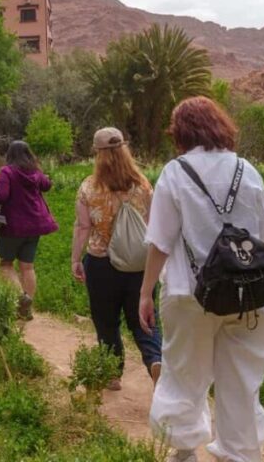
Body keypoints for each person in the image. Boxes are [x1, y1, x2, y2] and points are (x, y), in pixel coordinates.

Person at [139, 97, 264, 462]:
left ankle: (186, 450)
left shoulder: (175, 171)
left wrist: (145, 293)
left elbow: (160, 242)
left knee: (186, 372)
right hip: (249, 296)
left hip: (190, 296)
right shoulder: (247, 170)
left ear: (181, 132)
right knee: (243, 380)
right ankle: (240, 454)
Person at [71, 127, 162, 391]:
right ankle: (155, 360)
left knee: (106, 320)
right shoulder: (143, 184)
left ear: (97, 153)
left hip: (102, 263)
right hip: (139, 266)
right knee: (144, 316)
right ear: (125, 150)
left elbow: (82, 227)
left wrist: (76, 259)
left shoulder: (89, 187)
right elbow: (153, 226)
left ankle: (112, 374)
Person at [0, 140, 57, 320]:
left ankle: (21, 298)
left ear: (9, 154)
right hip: (36, 224)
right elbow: (47, 185)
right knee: (27, 266)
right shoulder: (34, 171)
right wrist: (43, 175)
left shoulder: (6, 171)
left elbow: (2, 195)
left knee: (5, 264)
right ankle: (27, 307)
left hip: (13, 225)